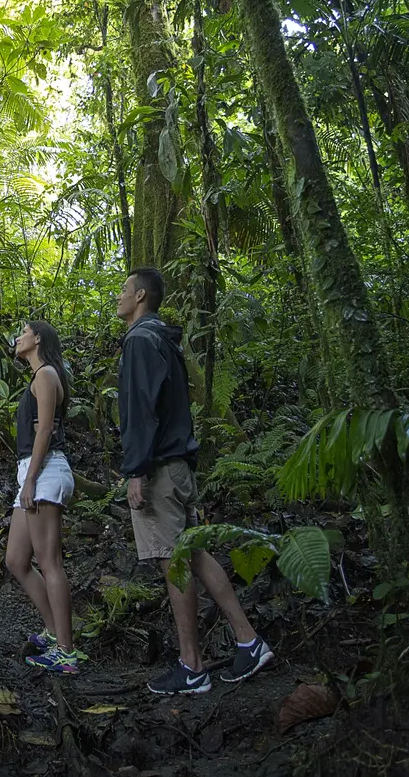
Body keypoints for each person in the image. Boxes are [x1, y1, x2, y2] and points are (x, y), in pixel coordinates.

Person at [117, 267, 274, 692]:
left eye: (124, 291)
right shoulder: (166, 339)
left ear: (142, 296)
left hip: (160, 470)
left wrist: (136, 470)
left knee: (176, 562)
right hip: (181, 465)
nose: (119, 297)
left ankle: (192, 666)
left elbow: (142, 411)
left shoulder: (139, 341)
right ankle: (248, 640)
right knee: (197, 555)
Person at [6, 320, 80, 674]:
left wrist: (31, 480)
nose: (17, 337)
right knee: (16, 560)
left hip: (45, 471)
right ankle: (53, 631)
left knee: (49, 562)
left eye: (23, 331)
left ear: (37, 338)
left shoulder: (48, 374)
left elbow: (46, 430)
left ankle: (66, 652)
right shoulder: (38, 377)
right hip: (32, 471)